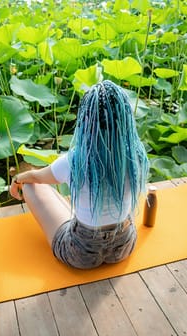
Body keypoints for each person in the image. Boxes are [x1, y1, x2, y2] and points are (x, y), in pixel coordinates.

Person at [10, 80, 149, 269]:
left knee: (31, 186)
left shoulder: (75, 160)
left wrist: (18, 179)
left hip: (80, 253)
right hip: (123, 248)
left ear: (86, 120)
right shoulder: (136, 155)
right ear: (125, 118)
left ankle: (82, 216)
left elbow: (37, 178)